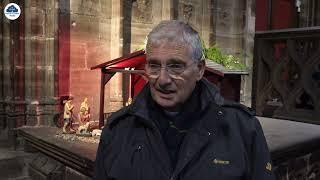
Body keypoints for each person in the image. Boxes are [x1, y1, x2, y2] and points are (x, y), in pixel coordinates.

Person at [94, 20, 275, 180]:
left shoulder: (242, 128)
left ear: (200, 69)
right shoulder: (118, 129)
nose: (163, 80)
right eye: (154, 66)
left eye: (175, 67)